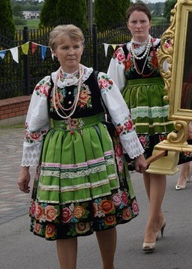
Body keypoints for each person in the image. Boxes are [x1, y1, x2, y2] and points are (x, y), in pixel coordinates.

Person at [18, 25, 147, 269]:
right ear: (54, 51)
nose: (71, 52)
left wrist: (137, 154)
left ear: (82, 48)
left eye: (76, 46)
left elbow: (122, 118)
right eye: (65, 47)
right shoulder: (45, 86)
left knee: (104, 214)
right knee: (64, 219)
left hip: (97, 152)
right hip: (59, 158)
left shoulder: (99, 80)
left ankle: (108, 266)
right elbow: (34, 128)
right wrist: (25, 168)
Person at [107, 2, 192, 251]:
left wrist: (183, 116)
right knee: (144, 166)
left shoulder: (163, 47)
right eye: (134, 22)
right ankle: (157, 218)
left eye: (142, 21)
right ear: (128, 25)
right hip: (135, 116)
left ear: (149, 23)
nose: (138, 26)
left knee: (157, 166)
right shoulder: (121, 53)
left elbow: (176, 78)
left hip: (161, 113)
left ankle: (151, 224)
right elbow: (113, 88)